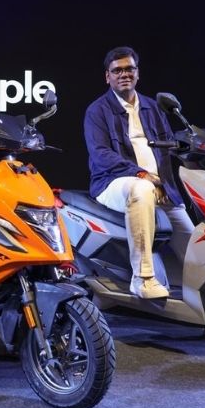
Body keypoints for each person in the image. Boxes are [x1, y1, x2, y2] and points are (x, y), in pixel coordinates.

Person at [83, 46, 194, 299]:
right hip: (114, 183)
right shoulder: (97, 111)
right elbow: (101, 154)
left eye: (129, 69)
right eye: (117, 70)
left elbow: (171, 146)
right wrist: (141, 174)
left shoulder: (153, 108)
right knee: (141, 189)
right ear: (107, 77)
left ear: (138, 73)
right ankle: (142, 278)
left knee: (195, 250)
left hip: (161, 189)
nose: (124, 74)